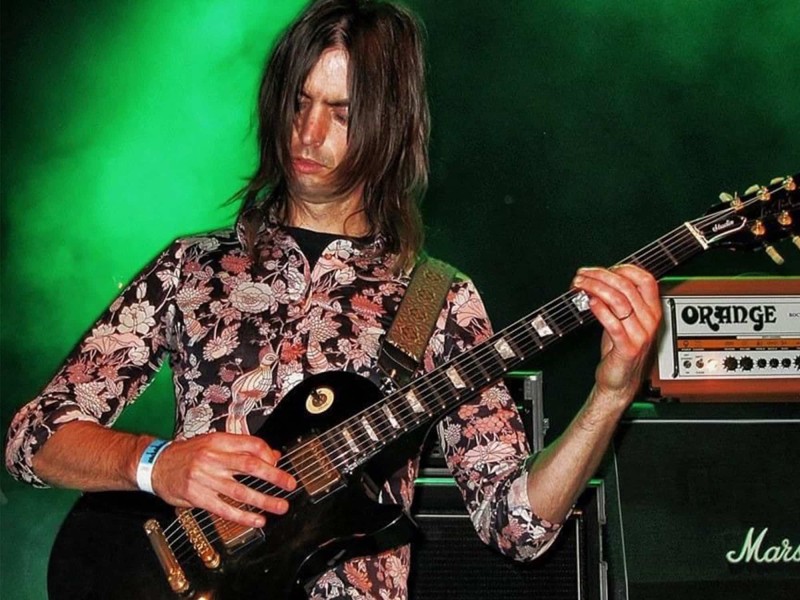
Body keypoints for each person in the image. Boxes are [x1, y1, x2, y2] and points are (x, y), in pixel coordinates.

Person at [5, 0, 661, 598]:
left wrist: (610, 394)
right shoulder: (191, 267)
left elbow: (518, 527)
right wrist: (155, 464)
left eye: (341, 114)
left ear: (390, 127)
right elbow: (32, 439)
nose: (309, 132)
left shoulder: (438, 298)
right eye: (300, 102)